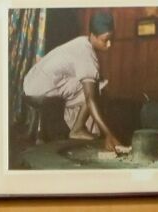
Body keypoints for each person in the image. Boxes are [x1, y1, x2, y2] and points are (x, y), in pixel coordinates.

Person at [22, 14, 124, 152]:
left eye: (111, 39)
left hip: (31, 82)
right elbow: (90, 99)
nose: (109, 44)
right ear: (93, 35)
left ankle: (78, 127)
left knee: (93, 83)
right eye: (105, 40)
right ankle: (78, 129)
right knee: (96, 88)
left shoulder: (82, 41)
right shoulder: (86, 54)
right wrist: (108, 134)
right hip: (38, 89)